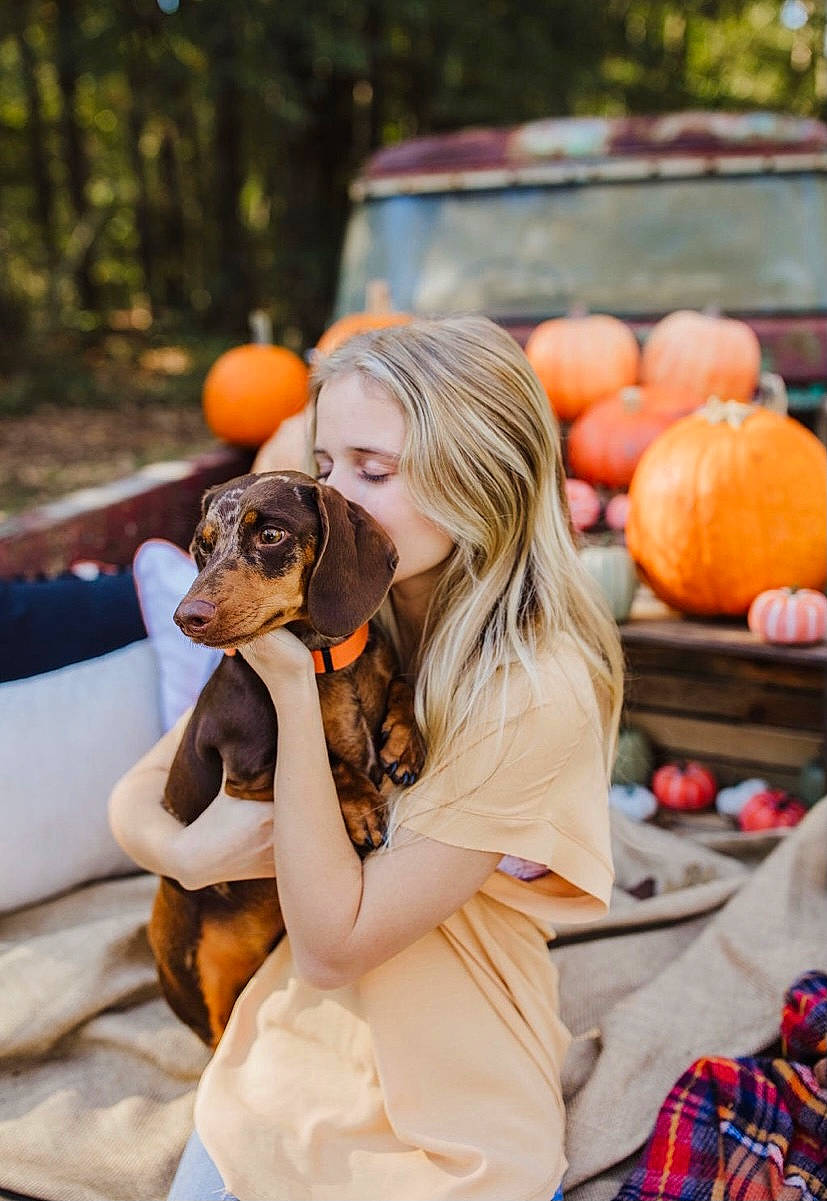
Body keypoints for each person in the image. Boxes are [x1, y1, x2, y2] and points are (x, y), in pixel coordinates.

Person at [109, 313, 624, 1201]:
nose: (334, 497)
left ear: (481, 482)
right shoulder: (331, 602)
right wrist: (189, 855)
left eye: (373, 470)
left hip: (447, 1064)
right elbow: (134, 794)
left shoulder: (534, 690)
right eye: (324, 467)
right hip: (294, 1039)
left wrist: (289, 688)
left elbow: (333, 945)